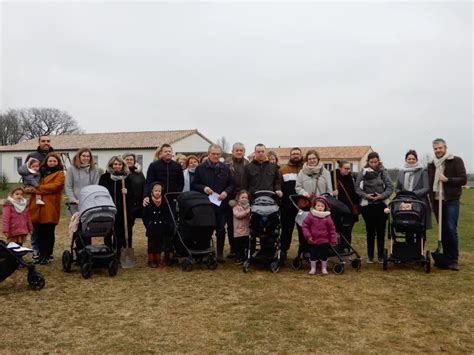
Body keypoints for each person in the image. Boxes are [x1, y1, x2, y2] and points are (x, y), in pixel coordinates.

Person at [427, 138, 467, 271]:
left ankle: (454, 259)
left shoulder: (456, 160)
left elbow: (463, 179)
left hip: (451, 200)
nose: (438, 150)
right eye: (436, 148)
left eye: (440, 148)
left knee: (450, 228)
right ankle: (445, 257)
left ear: (445, 148)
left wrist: (447, 179)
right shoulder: (432, 164)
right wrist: (431, 201)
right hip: (437, 200)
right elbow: (429, 182)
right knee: (442, 230)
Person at [192, 144, 234, 262]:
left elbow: (231, 184)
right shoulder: (200, 168)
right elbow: (194, 184)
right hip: (206, 205)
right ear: (208, 154)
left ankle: (219, 254)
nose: (215, 156)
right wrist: (204, 188)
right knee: (206, 230)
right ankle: (205, 252)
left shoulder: (225, 168)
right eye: (213, 154)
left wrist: (226, 192)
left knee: (221, 230)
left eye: (218, 154)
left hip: (221, 205)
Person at [144, 144, 184, 263]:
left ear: (172, 153)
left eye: (169, 151)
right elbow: (148, 182)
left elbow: (180, 183)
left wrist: (176, 196)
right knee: (155, 228)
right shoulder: (154, 166)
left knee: (170, 227)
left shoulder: (177, 166)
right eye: (165, 151)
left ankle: (168, 254)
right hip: (156, 201)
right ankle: (153, 255)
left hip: (170, 201)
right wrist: (148, 196)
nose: (168, 153)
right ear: (161, 153)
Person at [26, 152, 65, 265]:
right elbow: (29, 182)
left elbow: (55, 186)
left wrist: (37, 188)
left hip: (50, 206)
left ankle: (47, 255)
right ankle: (40, 254)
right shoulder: (40, 173)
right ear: (46, 162)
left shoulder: (60, 174)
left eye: (54, 161)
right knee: (38, 232)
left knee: (48, 232)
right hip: (37, 206)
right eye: (50, 161)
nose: (52, 163)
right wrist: (29, 188)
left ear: (58, 162)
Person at [355, 152, 393, 264]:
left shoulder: (383, 171)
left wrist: (381, 196)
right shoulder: (363, 171)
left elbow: (390, 187)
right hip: (368, 206)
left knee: (381, 231)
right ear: (368, 162)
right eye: (371, 162)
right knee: (370, 231)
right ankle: (370, 256)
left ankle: (381, 256)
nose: (373, 164)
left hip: (381, 206)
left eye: (375, 162)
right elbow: (357, 188)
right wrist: (367, 196)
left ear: (378, 161)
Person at [24, 135, 54, 257]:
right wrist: (28, 186)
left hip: (49, 193)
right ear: (39, 142)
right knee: (35, 222)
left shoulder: (54, 156)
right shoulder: (32, 156)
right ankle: (36, 249)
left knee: (48, 224)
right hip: (34, 191)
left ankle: (47, 251)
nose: (46, 143)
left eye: (48, 141)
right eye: (43, 141)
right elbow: (26, 173)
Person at [395, 150, 431, 244]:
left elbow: (426, 188)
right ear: (406, 160)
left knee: (420, 228)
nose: (411, 160)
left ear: (416, 160)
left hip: (419, 203)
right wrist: (402, 195)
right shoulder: (401, 173)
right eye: (409, 159)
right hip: (405, 203)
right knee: (407, 226)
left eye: (413, 159)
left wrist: (413, 194)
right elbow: (397, 189)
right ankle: (409, 249)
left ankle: (420, 251)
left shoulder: (423, 171)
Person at [99, 156, 131, 259]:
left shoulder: (126, 178)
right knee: (107, 232)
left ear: (123, 166)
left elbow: (133, 194)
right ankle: (108, 253)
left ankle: (117, 254)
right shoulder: (105, 177)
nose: (117, 166)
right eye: (115, 164)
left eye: (120, 164)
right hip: (108, 209)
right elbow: (101, 192)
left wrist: (127, 192)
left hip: (122, 210)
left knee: (119, 232)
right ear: (111, 165)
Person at [279, 147, 304, 261]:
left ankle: (303, 252)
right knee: (286, 231)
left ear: (301, 155)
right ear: (290, 156)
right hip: (287, 206)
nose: (295, 155)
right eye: (293, 154)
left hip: (303, 206)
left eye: (297, 154)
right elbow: (279, 186)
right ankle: (283, 252)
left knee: (303, 231)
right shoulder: (283, 170)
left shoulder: (306, 168)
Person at [225, 142, 249, 259]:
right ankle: (233, 249)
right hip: (230, 198)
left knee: (244, 225)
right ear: (232, 151)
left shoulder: (248, 164)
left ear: (244, 152)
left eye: (241, 150)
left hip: (244, 198)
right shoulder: (226, 164)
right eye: (237, 150)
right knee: (231, 225)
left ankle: (244, 249)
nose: (239, 152)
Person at [302, 196, 336, 275]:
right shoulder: (311, 215)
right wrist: (308, 236)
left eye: (322, 206)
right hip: (313, 239)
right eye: (318, 206)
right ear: (314, 206)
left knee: (324, 254)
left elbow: (332, 228)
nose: (320, 208)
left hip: (324, 240)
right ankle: (313, 268)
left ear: (325, 207)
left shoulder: (327, 216)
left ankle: (323, 268)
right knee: (313, 254)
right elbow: (305, 225)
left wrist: (333, 239)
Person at [331, 160, 360, 250]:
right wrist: (333, 193)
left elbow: (355, 191)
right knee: (339, 228)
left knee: (348, 229)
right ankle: (339, 247)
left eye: (349, 168)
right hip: (338, 207)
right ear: (340, 168)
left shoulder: (352, 177)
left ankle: (347, 246)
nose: (348, 170)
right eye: (345, 168)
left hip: (350, 207)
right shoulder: (334, 177)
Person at [142, 182, 171, 268]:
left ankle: (158, 259)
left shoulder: (164, 201)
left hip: (161, 227)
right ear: (152, 191)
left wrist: (165, 224)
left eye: (159, 191)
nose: (157, 192)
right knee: (151, 244)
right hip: (151, 227)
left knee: (159, 244)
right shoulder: (147, 202)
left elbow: (167, 215)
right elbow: (144, 215)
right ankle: (151, 260)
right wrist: (148, 224)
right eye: (156, 191)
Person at [65, 148, 100, 214]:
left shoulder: (94, 169)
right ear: (79, 157)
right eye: (83, 156)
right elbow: (68, 186)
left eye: (88, 156)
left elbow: (96, 185)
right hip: (76, 203)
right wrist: (73, 199)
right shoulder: (71, 169)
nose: (86, 158)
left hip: (90, 202)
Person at [123, 153, 146, 249]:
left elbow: (144, 185)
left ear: (134, 161)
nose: (129, 161)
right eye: (127, 159)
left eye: (131, 159)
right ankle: (127, 247)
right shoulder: (122, 173)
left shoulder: (139, 173)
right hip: (128, 205)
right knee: (127, 227)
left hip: (140, 203)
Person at [231, 190, 251, 264]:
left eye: (246, 198)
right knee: (238, 247)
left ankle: (244, 257)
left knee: (245, 246)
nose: (244, 199)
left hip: (247, 231)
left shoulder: (249, 207)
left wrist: (248, 211)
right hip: (238, 231)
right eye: (242, 197)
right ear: (238, 198)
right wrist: (246, 212)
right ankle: (237, 258)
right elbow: (238, 215)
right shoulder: (235, 207)